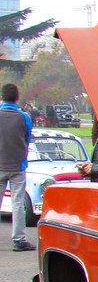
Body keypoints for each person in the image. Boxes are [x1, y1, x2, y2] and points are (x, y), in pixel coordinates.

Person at [0, 83, 35, 251]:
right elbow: (27, 138)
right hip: (17, 165)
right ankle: (19, 240)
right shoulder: (24, 117)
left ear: (2, 97)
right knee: (17, 203)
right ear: (17, 97)